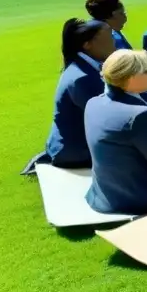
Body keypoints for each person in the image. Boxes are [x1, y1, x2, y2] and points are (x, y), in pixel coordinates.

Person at [85, 50, 147, 215]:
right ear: (132, 77)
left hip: (105, 194)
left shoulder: (93, 103)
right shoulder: (140, 116)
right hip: (140, 199)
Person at [22, 18, 118, 175]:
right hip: (74, 152)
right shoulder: (82, 77)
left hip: (73, 145)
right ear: (87, 45)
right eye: (109, 36)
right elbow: (108, 118)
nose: (114, 41)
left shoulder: (84, 67)